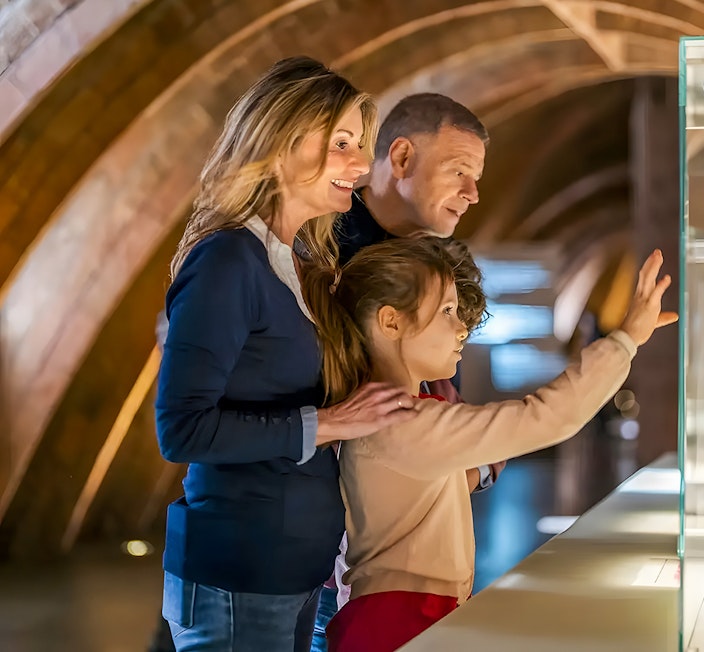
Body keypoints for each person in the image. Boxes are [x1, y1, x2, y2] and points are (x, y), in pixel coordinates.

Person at [154, 56, 418, 652]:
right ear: (280, 144)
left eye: (361, 145)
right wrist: (330, 423)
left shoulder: (295, 264)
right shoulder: (226, 261)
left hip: (292, 572)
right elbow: (182, 430)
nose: (359, 165)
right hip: (238, 575)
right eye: (342, 143)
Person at [301, 236, 676, 652]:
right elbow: (546, 416)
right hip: (400, 624)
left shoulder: (397, 415)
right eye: (446, 311)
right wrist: (625, 340)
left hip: (402, 617)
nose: (462, 326)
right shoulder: (402, 420)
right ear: (391, 322)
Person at [310, 92, 497, 651]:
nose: (473, 194)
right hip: (338, 556)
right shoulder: (320, 249)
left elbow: (442, 396)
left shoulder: (440, 260)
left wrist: (472, 465)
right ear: (401, 157)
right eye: (459, 171)